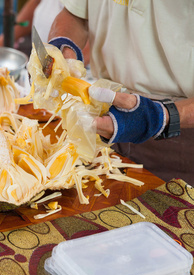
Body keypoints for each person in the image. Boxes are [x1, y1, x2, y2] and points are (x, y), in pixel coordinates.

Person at [47, 1, 194, 183]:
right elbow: (76, 14)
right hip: (106, 120)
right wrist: (63, 48)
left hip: (181, 131)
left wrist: (159, 116)